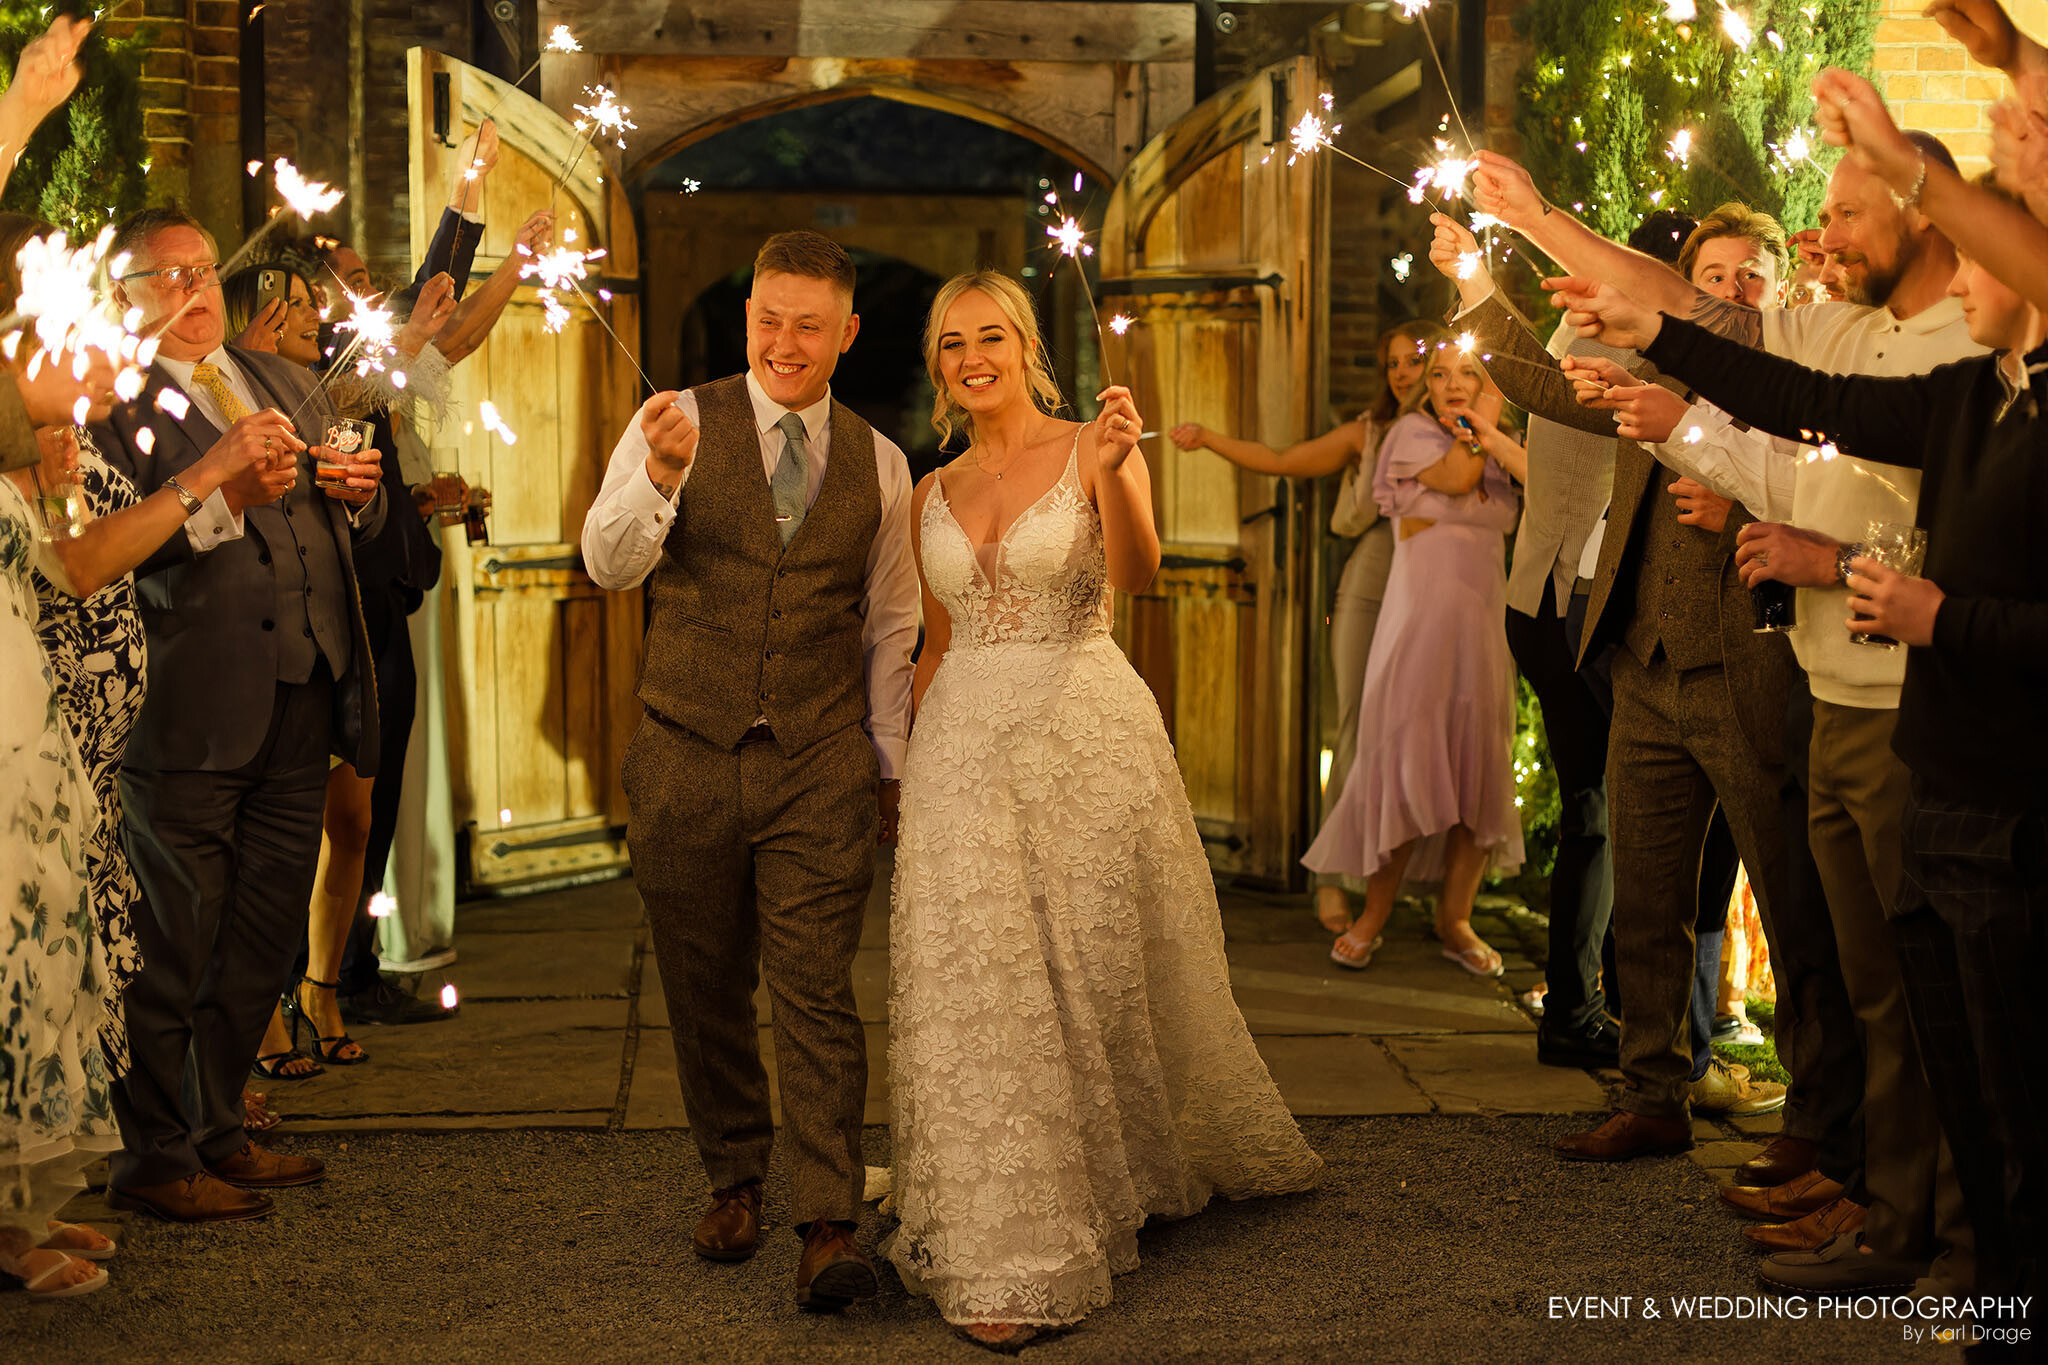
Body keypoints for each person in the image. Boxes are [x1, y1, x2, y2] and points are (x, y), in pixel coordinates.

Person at [1526, 124, 1985, 1293]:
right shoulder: (1853, 329)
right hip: (1829, 686)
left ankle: (1932, 1235)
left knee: (1898, 981)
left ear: (1925, 214)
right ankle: (1883, 1211)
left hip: (1887, 696)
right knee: (1869, 975)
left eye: (1840, 214)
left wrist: (1820, 558)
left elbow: (1941, 516)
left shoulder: (1959, 347)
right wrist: (1535, 222)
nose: (1819, 237)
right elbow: (1756, 401)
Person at [887, 270, 1320, 1349]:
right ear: (937, 365)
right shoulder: (923, 493)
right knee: (983, 977)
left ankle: (1105, 1175)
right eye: (950, 344)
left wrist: (1122, 472)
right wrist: (907, 768)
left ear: (1028, 347)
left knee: (1087, 970)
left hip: (1080, 729)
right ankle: (1008, 1224)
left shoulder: (1090, 444)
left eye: (990, 336)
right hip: (960, 746)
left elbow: (1138, 571)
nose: (970, 356)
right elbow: (935, 642)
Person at [581, 230, 918, 1311]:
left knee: (816, 992)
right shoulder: (670, 419)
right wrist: (663, 480)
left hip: (818, 761)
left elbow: (891, 627)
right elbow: (607, 563)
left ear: (846, 334)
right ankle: (733, 1174)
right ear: (747, 320)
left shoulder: (882, 461)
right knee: (703, 982)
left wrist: (889, 770)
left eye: (808, 324)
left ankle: (828, 1221)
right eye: (768, 319)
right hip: (682, 749)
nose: (784, 341)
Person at [90, 203, 387, 1224]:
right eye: (166, 277)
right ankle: (153, 1154)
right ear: (121, 300)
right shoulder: (111, 408)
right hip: (191, 705)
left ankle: (219, 1128)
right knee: (173, 941)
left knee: (261, 935)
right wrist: (223, 498)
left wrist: (359, 492)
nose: (195, 291)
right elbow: (107, 556)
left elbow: (351, 514)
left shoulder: (287, 380)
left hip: (304, 693)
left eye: (206, 270)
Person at [216, 262, 459, 1077]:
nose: (316, 307)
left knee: (350, 821)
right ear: (254, 316)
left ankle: (322, 986)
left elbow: (362, 392)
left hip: (347, 628)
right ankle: (265, 1010)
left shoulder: (320, 389)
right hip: (269, 640)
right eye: (293, 298)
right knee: (270, 842)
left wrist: (419, 328)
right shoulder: (229, 390)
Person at [1166, 319, 1430, 935]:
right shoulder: (1368, 434)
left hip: (1440, 592)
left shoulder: (1463, 432)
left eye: (1412, 360)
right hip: (1374, 580)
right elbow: (1284, 460)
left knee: (1419, 736)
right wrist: (1208, 438)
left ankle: (1400, 883)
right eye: (1392, 363)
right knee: (1357, 727)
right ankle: (1331, 879)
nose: (1400, 373)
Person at [1304, 336, 1527, 976]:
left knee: (1478, 767)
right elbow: (1458, 476)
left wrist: (1497, 427)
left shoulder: (1497, 442)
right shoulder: (1413, 436)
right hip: (1418, 628)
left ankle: (1455, 920)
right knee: (1403, 763)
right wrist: (1484, 419)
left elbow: (1547, 494)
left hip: (1480, 629)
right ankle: (1373, 915)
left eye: (1470, 372)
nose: (1453, 384)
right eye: (1440, 374)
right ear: (1425, 387)